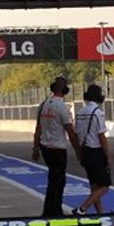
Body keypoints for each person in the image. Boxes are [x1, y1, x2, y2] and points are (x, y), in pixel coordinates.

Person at [32, 75, 80, 218]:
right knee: (58, 182)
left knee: (53, 180)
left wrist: (35, 148)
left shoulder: (44, 104)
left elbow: (38, 128)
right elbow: (70, 132)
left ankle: (49, 210)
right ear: (65, 90)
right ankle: (55, 211)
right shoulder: (62, 107)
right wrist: (78, 151)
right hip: (57, 148)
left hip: (45, 147)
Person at [74, 84, 111, 216]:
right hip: (96, 152)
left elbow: (76, 133)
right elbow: (102, 136)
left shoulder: (79, 113)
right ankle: (82, 209)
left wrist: (79, 153)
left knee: (95, 186)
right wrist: (108, 156)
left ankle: (101, 215)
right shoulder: (98, 113)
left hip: (85, 151)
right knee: (105, 185)